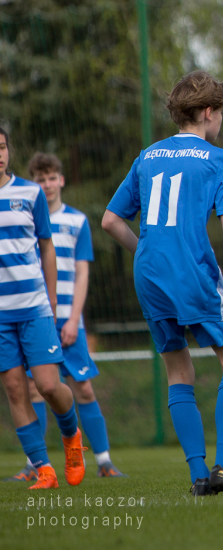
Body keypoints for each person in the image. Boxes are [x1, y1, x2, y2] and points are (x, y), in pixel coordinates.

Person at [101, 71, 223, 495]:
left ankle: (200, 476)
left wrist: (150, 253)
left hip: (149, 274)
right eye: (221, 114)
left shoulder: (147, 156)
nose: (220, 122)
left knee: (178, 370)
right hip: (191, 270)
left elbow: (110, 221)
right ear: (207, 112)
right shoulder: (219, 159)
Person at [5, 152, 126, 482]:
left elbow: (82, 273)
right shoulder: (24, 211)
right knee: (31, 390)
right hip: (26, 313)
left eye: (51, 178)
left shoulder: (77, 221)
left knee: (81, 387)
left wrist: (72, 319)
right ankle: (35, 465)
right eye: (40, 179)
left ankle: (103, 461)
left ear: (61, 180)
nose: (46, 184)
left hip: (65, 316)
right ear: (35, 181)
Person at [0, 128, 84, 490]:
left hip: (35, 307)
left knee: (49, 386)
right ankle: (44, 469)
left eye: (2, 147)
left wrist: (51, 300)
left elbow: (47, 247)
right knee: (15, 390)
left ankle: (71, 436)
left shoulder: (29, 192)